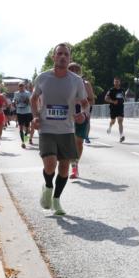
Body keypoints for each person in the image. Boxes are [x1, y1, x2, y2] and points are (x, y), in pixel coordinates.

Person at [31, 43, 89, 215]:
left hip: (67, 130)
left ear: (69, 58)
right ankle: (48, 186)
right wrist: (35, 116)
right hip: (47, 128)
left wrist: (83, 114)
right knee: (50, 165)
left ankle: (56, 200)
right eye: (60, 54)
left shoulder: (76, 80)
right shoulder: (43, 78)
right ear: (54, 57)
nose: (63, 57)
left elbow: (85, 103)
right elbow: (33, 99)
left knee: (64, 168)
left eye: (66, 54)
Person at [67, 62, 96, 178]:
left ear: (80, 72)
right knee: (69, 143)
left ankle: (75, 167)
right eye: (71, 69)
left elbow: (92, 100)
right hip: (67, 116)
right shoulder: (63, 83)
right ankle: (72, 165)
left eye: (76, 69)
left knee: (78, 142)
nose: (74, 71)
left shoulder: (85, 84)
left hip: (81, 116)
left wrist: (84, 111)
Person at [105, 77, 126, 142]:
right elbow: (106, 98)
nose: (116, 83)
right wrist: (113, 101)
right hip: (113, 108)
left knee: (120, 121)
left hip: (120, 107)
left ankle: (121, 136)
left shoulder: (122, 90)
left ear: (120, 82)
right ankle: (110, 127)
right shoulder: (111, 90)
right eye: (115, 82)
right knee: (113, 121)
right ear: (113, 83)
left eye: (117, 82)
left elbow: (123, 97)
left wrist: (123, 100)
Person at [15, 81, 33, 148]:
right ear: (18, 87)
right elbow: (15, 100)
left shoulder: (28, 93)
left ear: (24, 87)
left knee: (27, 129)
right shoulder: (16, 93)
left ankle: (25, 140)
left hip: (27, 112)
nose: (21, 87)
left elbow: (30, 101)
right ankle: (23, 142)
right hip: (19, 112)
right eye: (20, 86)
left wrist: (28, 101)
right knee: (21, 128)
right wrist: (15, 102)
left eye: (22, 86)